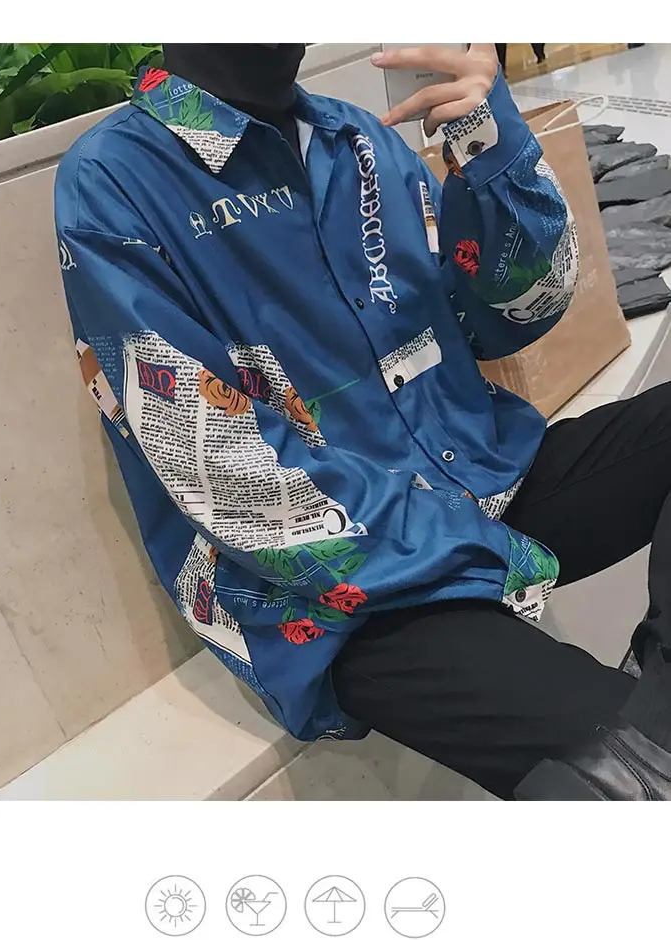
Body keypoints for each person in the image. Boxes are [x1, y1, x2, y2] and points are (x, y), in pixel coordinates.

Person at [53, 43, 671, 800]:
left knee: (649, 740)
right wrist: (487, 554)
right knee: (628, 777)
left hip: (480, 481)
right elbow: (225, 473)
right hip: (340, 590)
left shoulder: (357, 138)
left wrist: (489, 143)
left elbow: (513, 314)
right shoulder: (114, 181)